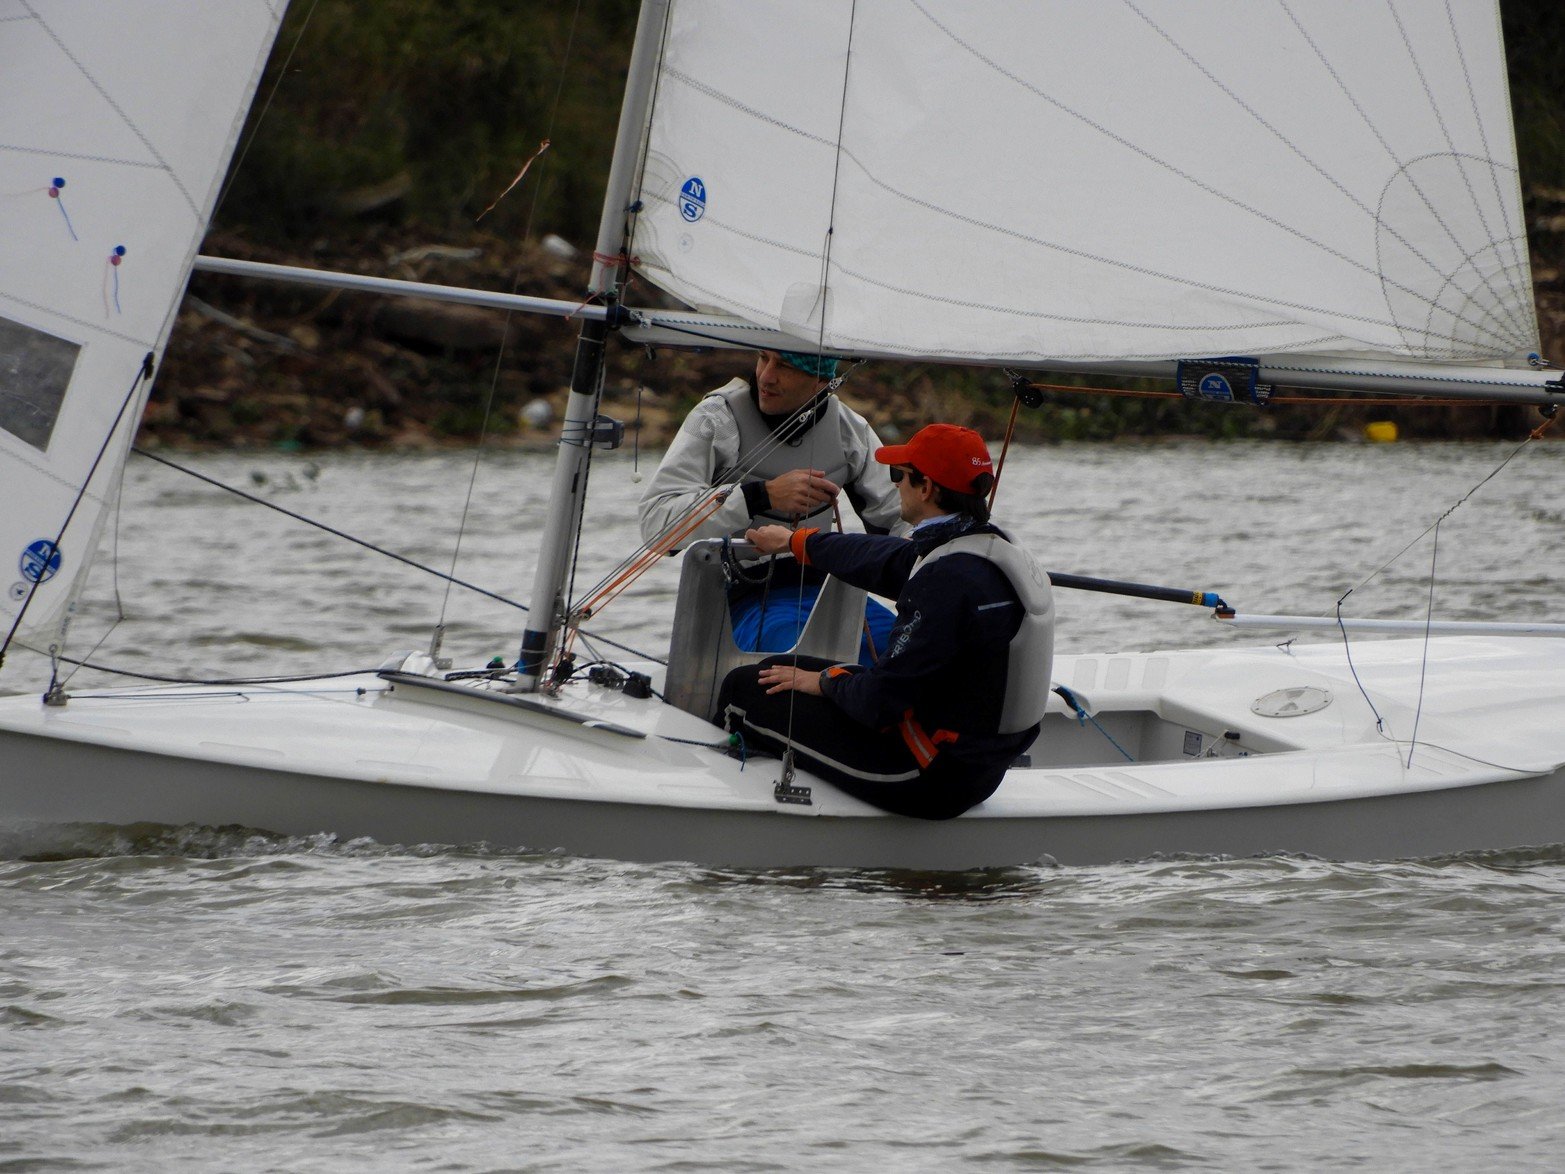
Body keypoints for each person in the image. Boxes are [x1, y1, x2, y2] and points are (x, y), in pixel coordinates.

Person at [715, 424, 1054, 819]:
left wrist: (826, 681)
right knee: (780, 671)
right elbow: (884, 558)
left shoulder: (943, 582)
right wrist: (796, 542)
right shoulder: (990, 550)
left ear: (925, 488)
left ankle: (735, 821)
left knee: (743, 689)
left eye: (900, 475)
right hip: (976, 765)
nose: (895, 486)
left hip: (924, 777)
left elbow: (879, 703)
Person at [639, 348, 903, 662]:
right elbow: (656, 526)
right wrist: (758, 496)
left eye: (785, 366)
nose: (766, 376)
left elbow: (899, 519)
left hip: (824, 592)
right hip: (740, 597)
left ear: (821, 380)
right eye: (764, 358)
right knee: (804, 655)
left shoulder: (849, 429)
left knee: (905, 651)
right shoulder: (715, 419)